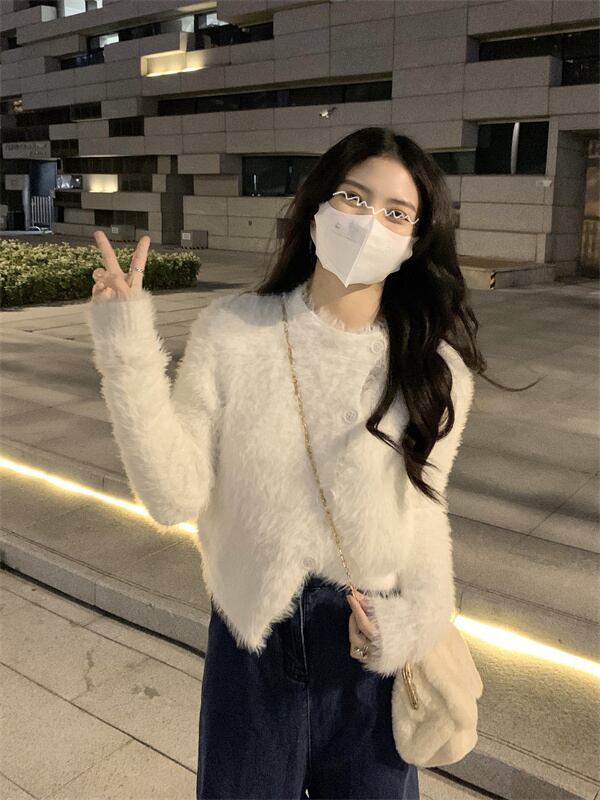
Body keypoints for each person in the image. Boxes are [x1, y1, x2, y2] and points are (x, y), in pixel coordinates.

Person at [84, 126, 485, 799]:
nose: (369, 222)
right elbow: (173, 496)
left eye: (396, 212)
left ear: (415, 241)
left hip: (368, 649)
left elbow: (424, 521)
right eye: (354, 197)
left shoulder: (433, 372)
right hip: (253, 643)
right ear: (318, 205)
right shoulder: (235, 329)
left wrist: (410, 628)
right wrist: (125, 349)